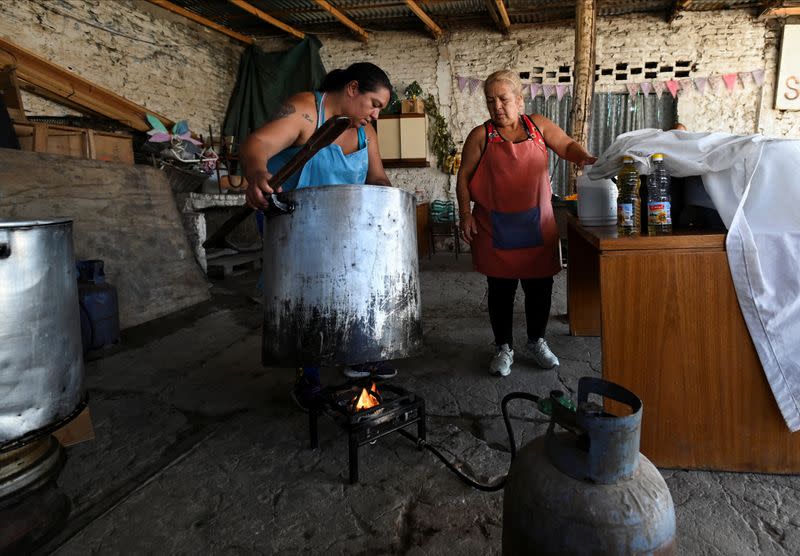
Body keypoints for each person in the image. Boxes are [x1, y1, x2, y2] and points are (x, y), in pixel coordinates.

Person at [241, 62, 397, 408]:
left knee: (352, 290)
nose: (374, 115)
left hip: (344, 226)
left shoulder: (364, 132)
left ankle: (356, 357)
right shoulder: (306, 112)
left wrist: (389, 200)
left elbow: (377, 177)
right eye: (374, 103)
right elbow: (258, 143)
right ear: (353, 88)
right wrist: (257, 174)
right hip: (295, 225)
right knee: (305, 302)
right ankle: (306, 377)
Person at [456, 70, 596, 377]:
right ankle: (503, 347)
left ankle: (537, 341)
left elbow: (567, 145)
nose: (497, 107)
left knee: (540, 288)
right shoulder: (481, 136)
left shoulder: (539, 126)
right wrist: (465, 214)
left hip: (538, 226)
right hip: (495, 228)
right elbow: (463, 178)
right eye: (490, 101)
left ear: (520, 101)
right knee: (500, 290)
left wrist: (584, 157)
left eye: (503, 99)